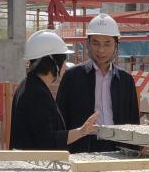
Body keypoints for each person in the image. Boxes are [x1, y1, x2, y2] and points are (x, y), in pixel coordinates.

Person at [55, 13, 139, 153]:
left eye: (107, 43)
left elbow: (134, 123)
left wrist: (134, 153)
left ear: (116, 44)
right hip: (82, 148)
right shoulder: (72, 77)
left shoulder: (126, 81)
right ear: (88, 43)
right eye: (95, 43)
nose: (101, 49)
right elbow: (61, 120)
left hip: (118, 147)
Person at [10, 30, 99, 150]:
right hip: (36, 161)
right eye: (64, 61)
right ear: (54, 63)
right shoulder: (37, 94)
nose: (65, 66)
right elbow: (48, 140)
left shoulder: (27, 86)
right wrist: (81, 131)